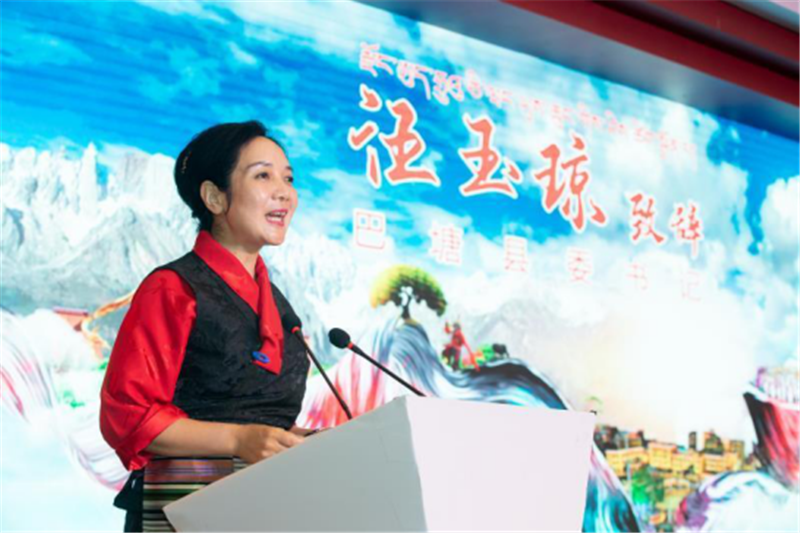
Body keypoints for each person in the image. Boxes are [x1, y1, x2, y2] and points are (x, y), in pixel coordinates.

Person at [99, 121, 313, 531]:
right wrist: (237, 440)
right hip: (182, 508)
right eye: (263, 176)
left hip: (262, 509)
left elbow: (259, 415)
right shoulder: (174, 288)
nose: (284, 192)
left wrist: (291, 440)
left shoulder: (281, 309)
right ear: (215, 197)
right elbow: (129, 415)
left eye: (288, 178)